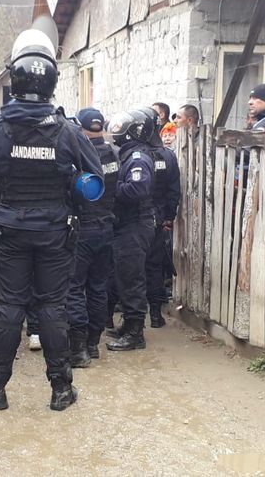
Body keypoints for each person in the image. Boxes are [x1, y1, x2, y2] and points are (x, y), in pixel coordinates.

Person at [0, 27, 103, 411]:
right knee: (52, 307)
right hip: (54, 230)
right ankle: (61, 389)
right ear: (51, 82)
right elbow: (95, 180)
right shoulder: (67, 130)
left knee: (8, 307)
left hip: (9, 228)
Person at [65, 108, 119, 367]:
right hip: (106, 227)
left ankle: (78, 348)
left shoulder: (78, 156)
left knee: (74, 288)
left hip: (83, 228)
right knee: (98, 287)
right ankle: (93, 344)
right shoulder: (114, 154)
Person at [104, 109, 156, 352]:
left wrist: (111, 188)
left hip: (134, 225)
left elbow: (137, 190)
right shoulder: (129, 154)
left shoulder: (137, 158)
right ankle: (129, 324)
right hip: (127, 224)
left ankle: (135, 333)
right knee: (124, 277)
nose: (116, 130)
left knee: (132, 279)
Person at [143, 107, 181, 328]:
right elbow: (174, 191)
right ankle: (156, 315)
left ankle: (132, 321)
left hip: (136, 221)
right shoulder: (168, 155)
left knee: (133, 269)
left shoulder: (135, 154)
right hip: (158, 220)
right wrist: (168, 217)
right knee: (155, 267)